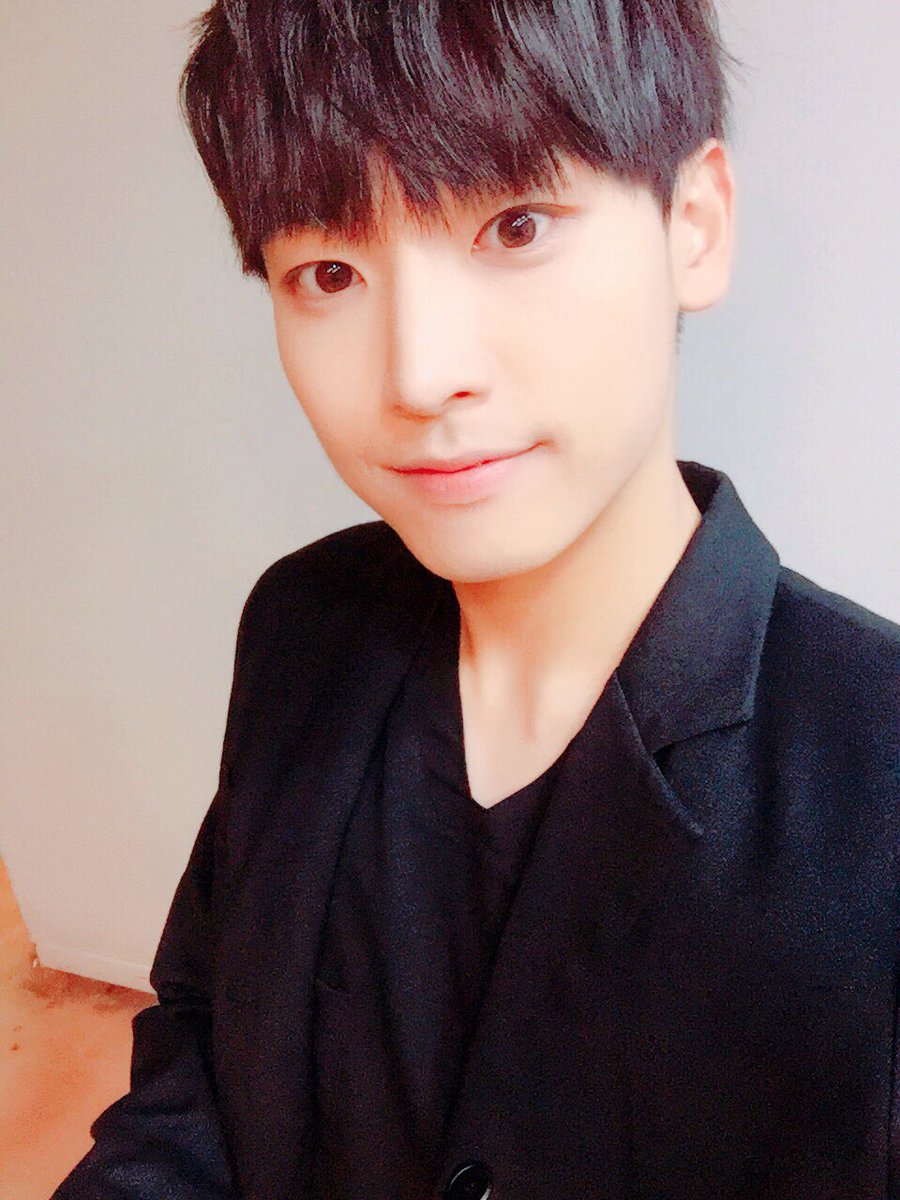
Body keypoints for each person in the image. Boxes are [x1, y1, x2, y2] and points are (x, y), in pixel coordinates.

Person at [52, 1, 899, 1198]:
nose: (418, 372)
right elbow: (206, 1043)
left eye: (515, 226)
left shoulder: (877, 780)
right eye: (330, 271)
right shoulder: (302, 625)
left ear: (694, 225)